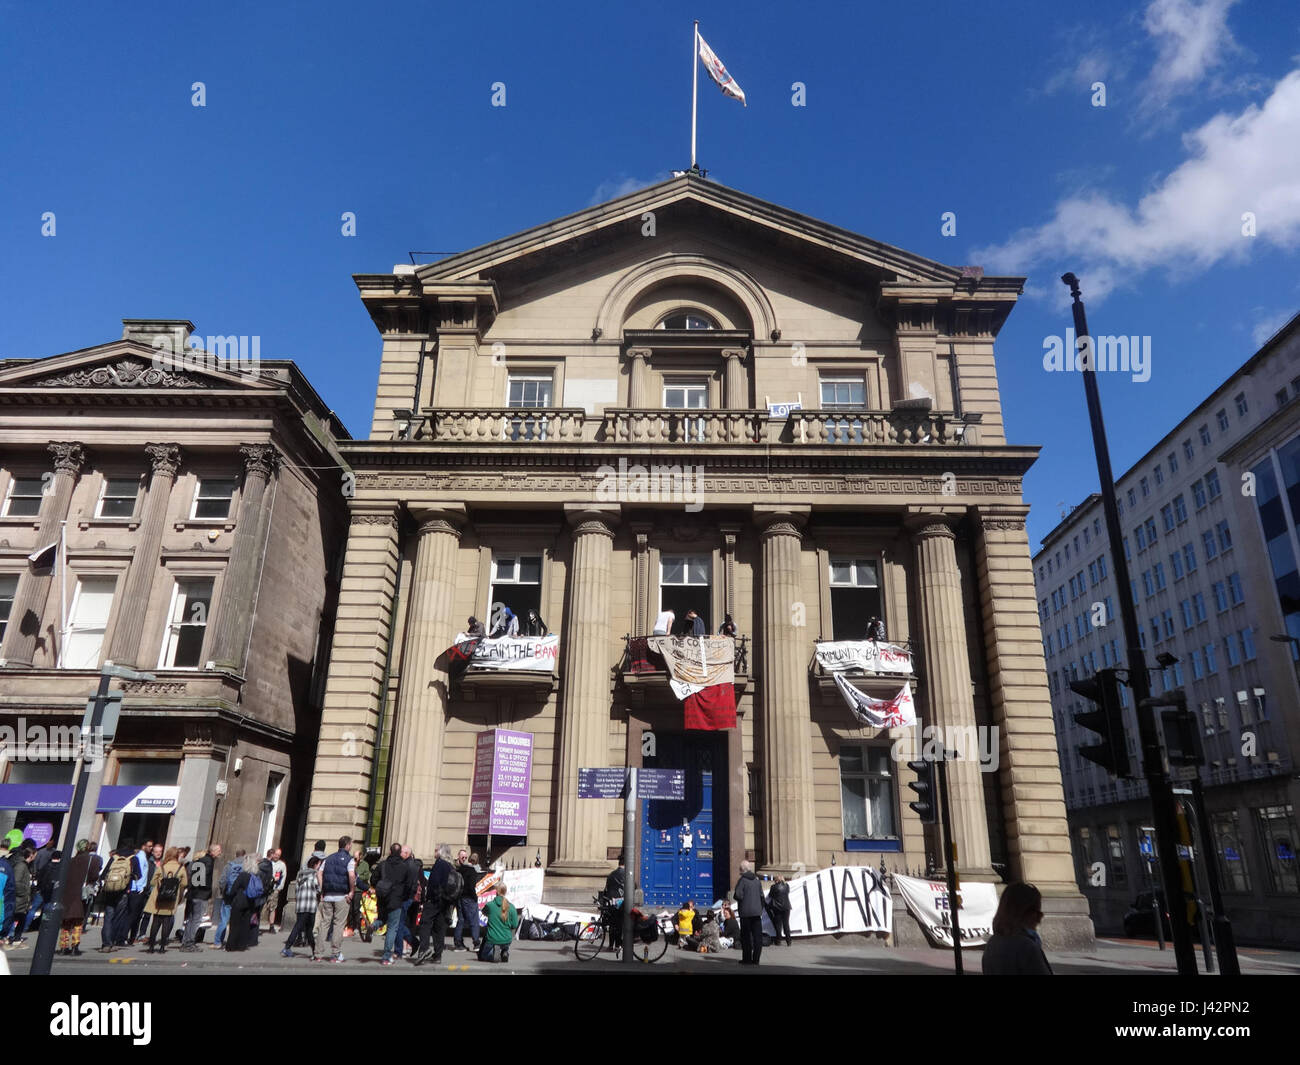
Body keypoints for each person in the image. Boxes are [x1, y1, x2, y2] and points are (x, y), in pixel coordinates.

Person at [982, 882, 1053, 975]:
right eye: (1038, 912)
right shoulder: (1026, 947)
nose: (1039, 919)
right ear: (1026, 913)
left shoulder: (992, 943)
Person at [313, 836, 355, 963]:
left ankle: (318, 953)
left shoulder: (328, 858)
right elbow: (352, 875)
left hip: (328, 895)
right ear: (347, 845)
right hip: (342, 896)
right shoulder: (349, 860)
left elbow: (319, 872)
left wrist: (322, 889)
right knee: (338, 924)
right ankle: (335, 954)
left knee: (324, 923)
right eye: (351, 844)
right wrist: (351, 891)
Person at [413, 844, 457, 965]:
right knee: (439, 929)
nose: (434, 851)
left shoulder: (440, 864)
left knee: (424, 923)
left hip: (435, 901)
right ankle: (438, 955)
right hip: (445, 902)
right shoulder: (451, 866)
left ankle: (424, 949)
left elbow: (435, 882)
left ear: (441, 852)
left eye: (436, 850)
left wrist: (430, 898)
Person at [372, 844, 415, 965]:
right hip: (396, 900)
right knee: (392, 928)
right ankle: (386, 957)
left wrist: (380, 888)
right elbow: (409, 885)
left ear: (390, 852)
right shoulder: (404, 867)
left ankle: (374, 925)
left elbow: (373, 880)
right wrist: (403, 897)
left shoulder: (382, 865)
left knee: (383, 918)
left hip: (382, 899)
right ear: (400, 852)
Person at [180, 843, 220, 951]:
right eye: (218, 851)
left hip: (194, 893)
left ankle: (185, 941)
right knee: (196, 919)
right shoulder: (209, 861)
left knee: (191, 918)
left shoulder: (201, 860)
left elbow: (194, 874)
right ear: (213, 851)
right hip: (200, 894)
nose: (219, 853)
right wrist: (205, 889)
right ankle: (189, 942)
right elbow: (203, 876)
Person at [282, 856, 321, 957]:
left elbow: (297, 889)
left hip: (301, 904)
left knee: (300, 926)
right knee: (308, 929)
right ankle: (289, 946)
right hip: (310, 905)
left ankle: (313, 950)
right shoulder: (315, 874)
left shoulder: (300, 874)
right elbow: (318, 888)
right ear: (316, 864)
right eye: (319, 865)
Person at [95, 845, 133, 951]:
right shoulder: (132, 858)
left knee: (108, 917)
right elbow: (138, 875)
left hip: (110, 892)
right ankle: (112, 941)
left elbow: (103, 875)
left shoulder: (114, 858)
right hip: (123, 892)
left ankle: (106, 943)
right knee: (118, 917)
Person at [224, 855, 261, 952]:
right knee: (245, 924)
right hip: (250, 902)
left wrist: (230, 896)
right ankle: (242, 945)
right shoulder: (255, 876)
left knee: (235, 924)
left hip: (239, 901)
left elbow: (233, 889)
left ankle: (231, 946)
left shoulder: (242, 875)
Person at [478, 883, 519, 963]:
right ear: (505, 892)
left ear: (496, 892)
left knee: (482, 956)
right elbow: (515, 925)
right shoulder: (512, 907)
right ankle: (504, 951)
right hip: (506, 939)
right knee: (504, 942)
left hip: (492, 938)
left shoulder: (490, 905)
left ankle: (493, 954)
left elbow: (484, 912)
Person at [213, 846, 245, 948]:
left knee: (224, 919)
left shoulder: (229, 865)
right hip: (239, 896)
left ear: (236, 855)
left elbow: (222, 881)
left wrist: (224, 891)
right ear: (244, 855)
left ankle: (218, 942)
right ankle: (233, 941)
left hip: (228, 895)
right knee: (237, 920)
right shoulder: (245, 866)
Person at [733, 860, 764, 965]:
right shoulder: (757, 880)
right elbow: (761, 896)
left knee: (746, 937)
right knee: (757, 937)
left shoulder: (742, 880)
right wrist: (759, 908)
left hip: (745, 913)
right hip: (756, 913)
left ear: (742, 870)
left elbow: (738, 895)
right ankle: (756, 959)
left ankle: (747, 959)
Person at [453, 848, 481, 952]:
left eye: (465, 857)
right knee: (473, 920)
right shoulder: (471, 870)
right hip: (468, 898)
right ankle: (476, 943)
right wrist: (475, 897)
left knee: (461, 920)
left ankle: (458, 944)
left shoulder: (458, 870)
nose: (464, 858)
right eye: (462, 857)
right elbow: (470, 886)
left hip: (459, 897)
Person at [4, 843, 31, 944]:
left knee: (14, 916)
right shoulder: (21, 865)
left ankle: (11, 936)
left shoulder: (15, 861)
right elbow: (17, 881)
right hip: (18, 896)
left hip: (14, 895)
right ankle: (9, 936)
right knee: (15, 915)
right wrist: (24, 892)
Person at [263, 847, 287, 933]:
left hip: (274, 889)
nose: (276, 856)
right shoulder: (267, 862)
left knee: (273, 908)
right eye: (276, 854)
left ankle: (271, 926)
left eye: (278, 855)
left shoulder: (282, 865)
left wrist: (279, 888)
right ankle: (256, 923)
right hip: (265, 888)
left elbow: (283, 877)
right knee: (263, 906)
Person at [767, 873, 792, 947]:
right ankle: (788, 941)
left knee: (778, 925)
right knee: (786, 924)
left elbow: (770, 895)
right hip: (786, 907)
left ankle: (778, 940)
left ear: (776, 880)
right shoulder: (787, 886)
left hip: (777, 907)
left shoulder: (773, 887)